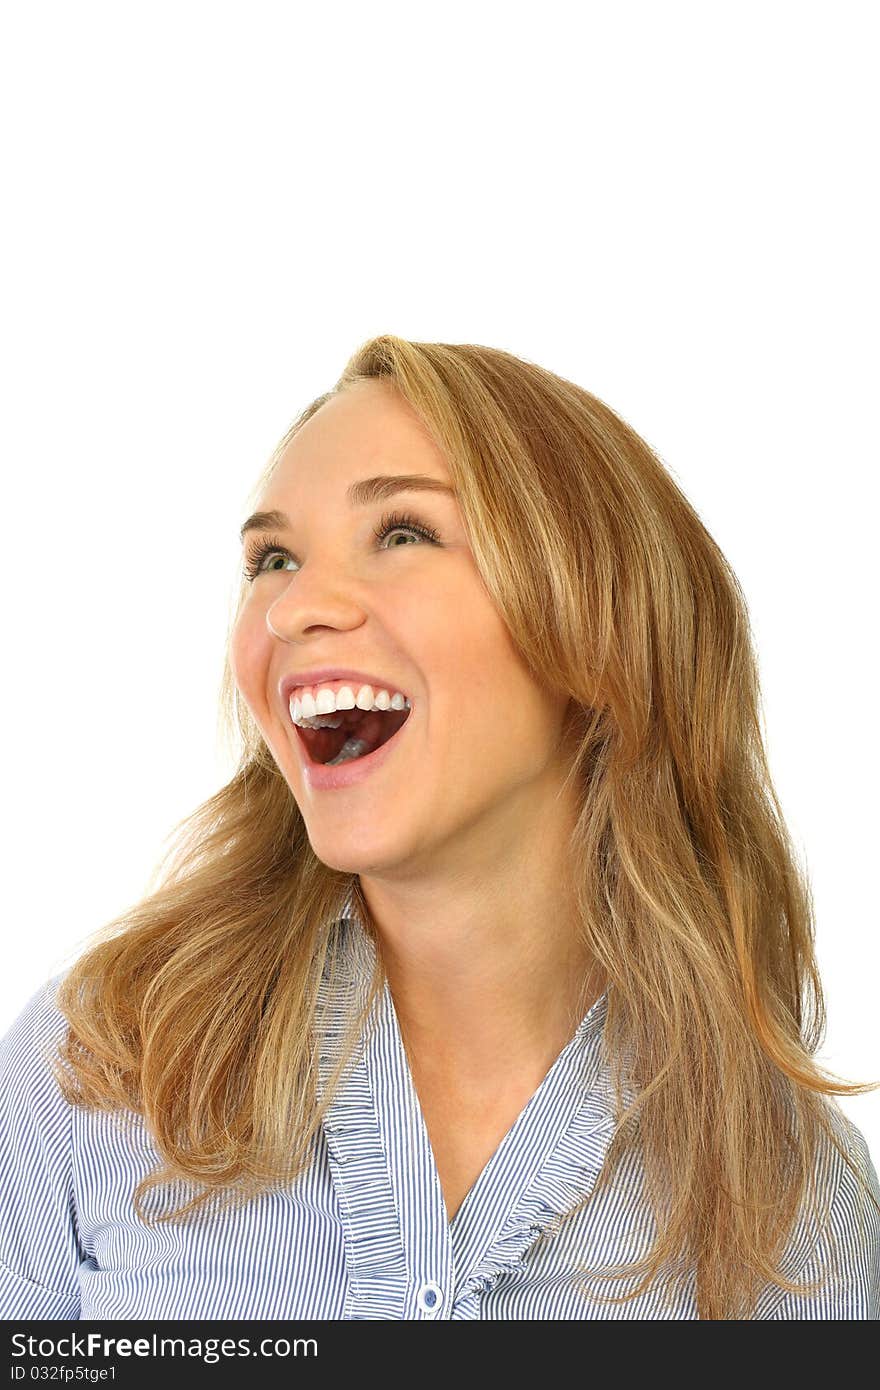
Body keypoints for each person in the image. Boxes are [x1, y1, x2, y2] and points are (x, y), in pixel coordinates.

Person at [1, 335, 877, 1321]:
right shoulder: (96, 1068)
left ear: (597, 624)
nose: (292, 608)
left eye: (404, 532)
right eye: (272, 558)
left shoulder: (791, 1204)